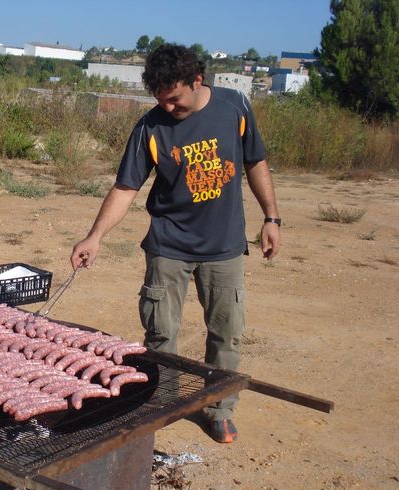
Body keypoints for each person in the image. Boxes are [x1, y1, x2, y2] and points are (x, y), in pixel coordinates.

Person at [70, 43, 281, 443]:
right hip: (168, 247)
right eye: (160, 100)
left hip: (225, 247)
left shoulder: (234, 108)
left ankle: (218, 409)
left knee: (226, 333)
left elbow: (255, 162)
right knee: (161, 334)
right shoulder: (150, 127)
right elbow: (125, 188)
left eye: (174, 99)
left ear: (197, 81)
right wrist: (94, 236)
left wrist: (271, 217)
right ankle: (162, 403)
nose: (167, 107)